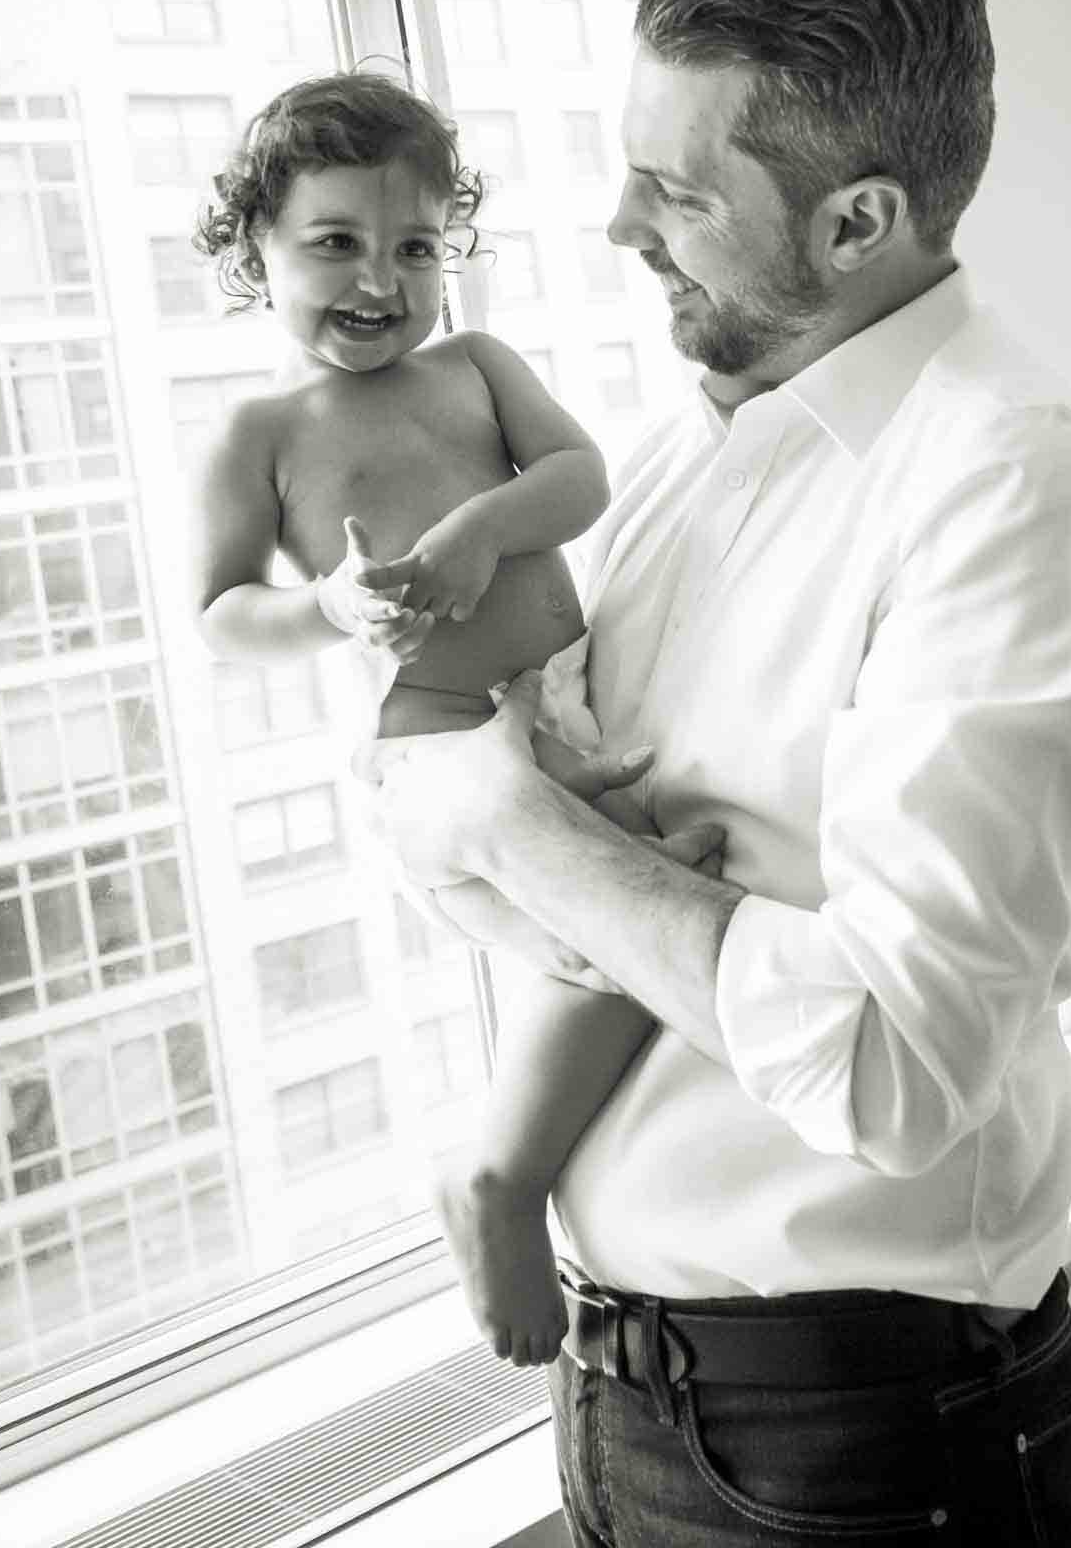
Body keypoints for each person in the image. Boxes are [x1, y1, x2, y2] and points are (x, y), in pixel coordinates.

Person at [369, 0, 1071, 1546]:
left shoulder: (1010, 485)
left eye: (675, 188)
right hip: (623, 1387)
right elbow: (493, 832)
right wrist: (499, 823)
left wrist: (514, 825)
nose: (616, 224)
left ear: (856, 220)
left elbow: (890, 1064)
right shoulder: (681, 457)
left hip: (853, 1431)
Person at [189, 69, 689, 1367]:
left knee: (663, 922)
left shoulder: (473, 368)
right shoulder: (262, 431)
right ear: (257, 249)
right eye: (335, 243)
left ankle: (550, 1176)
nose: (379, 280)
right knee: (621, 944)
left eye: (414, 247)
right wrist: (332, 613)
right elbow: (219, 615)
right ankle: (497, 1176)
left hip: (563, 710)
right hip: (444, 750)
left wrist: (477, 532)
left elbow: (577, 480)